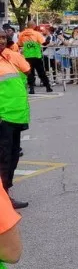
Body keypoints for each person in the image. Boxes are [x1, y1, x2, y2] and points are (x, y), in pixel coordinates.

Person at [0, 34, 31, 209]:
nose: (1, 41)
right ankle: (3, 200)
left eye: (3, 37)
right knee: (3, 159)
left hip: (16, 117)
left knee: (11, 158)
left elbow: (26, 71)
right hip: (3, 118)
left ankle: (6, 195)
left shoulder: (9, 58)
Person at [17, 22, 52, 94]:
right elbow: (43, 43)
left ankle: (31, 89)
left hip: (27, 57)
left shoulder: (21, 34)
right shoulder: (37, 34)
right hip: (36, 56)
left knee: (30, 73)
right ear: (33, 26)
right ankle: (48, 87)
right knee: (41, 72)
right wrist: (48, 40)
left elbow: (20, 44)